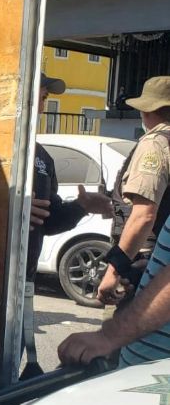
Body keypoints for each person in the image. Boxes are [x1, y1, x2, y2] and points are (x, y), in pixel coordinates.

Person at [58, 77, 170, 367]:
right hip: (152, 268)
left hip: (142, 270)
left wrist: (115, 268)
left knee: (108, 364)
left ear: (147, 112)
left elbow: (144, 214)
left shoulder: (155, 144)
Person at [20, 74, 113, 379]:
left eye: (46, 98)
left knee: (3, 373)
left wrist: (81, 206)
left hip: (21, 283)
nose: (42, 105)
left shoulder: (41, 156)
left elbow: (48, 220)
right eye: (38, 95)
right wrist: (8, 207)